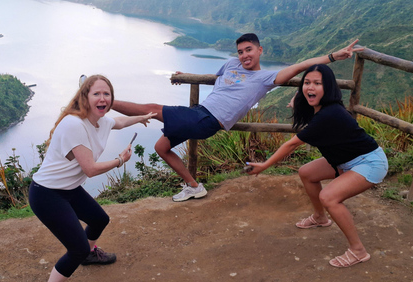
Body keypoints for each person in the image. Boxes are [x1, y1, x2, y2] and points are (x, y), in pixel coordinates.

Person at [112, 33, 363, 202]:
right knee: (161, 146)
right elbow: (217, 81)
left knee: (153, 109)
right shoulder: (231, 64)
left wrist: (333, 56)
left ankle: (104, 103)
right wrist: (186, 74)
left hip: (210, 120)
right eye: (241, 51)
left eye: (249, 50)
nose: (244, 55)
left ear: (260, 50)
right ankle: (194, 186)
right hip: (200, 111)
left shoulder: (265, 79)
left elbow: (300, 66)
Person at [30, 75, 155, 282]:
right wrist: (120, 160)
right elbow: (91, 169)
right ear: (85, 97)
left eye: (106, 94)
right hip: (47, 194)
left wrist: (141, 118)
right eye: (97, 94)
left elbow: (117, 121)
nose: (102, 98)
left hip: (68, 188)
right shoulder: (74, 125)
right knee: (75, 248)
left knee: (99, 219)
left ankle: (88, 254)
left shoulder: (100, 120)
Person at [245, 64, 388, 268]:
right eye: (307, 82)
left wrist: (265, 165)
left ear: (328, 87)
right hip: (346, 160)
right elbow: (309, 114)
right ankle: (320, 218)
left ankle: (358, 251)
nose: (310, 87)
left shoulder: (329, 114)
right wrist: (298, 103)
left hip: (369, 162)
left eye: (317, 83)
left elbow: (292, 143)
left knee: (329, 197)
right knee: (307, 173)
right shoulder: (320, 110)